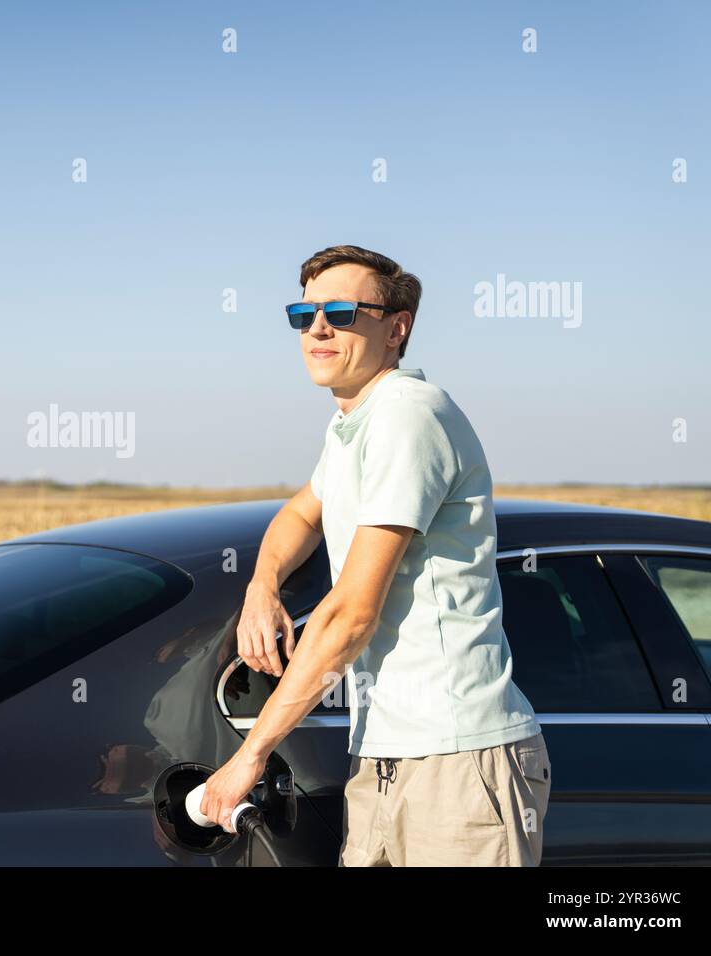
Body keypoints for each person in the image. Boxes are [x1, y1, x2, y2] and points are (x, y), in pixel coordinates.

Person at [198, 244, 551, 866]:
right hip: (383, 755)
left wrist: (250, 754)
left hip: (459, 759)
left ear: (398, 327)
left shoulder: (408, 417)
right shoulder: (353, 426)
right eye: (302, 314)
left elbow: (351, 613)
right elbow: (302, 514)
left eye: (340, 310)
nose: (317, 328)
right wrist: (263, 585)